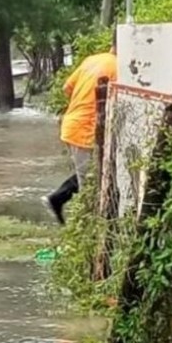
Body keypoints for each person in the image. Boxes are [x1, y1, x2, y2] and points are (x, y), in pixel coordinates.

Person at [45, 43, 118, 224]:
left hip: (74, 123)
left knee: (92, 173)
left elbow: (67, 88)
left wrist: (82, 101)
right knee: (89, 182)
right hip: (84, 129)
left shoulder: (92, 60)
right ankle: (89, 224)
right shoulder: (118, 67)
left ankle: (57, 199)